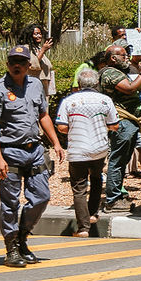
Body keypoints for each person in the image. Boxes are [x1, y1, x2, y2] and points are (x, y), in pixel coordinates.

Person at [0, 45, 66, 267]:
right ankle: (11, 248)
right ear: (8, 64)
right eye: (13, 61)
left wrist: (56, 142)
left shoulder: (35, 85)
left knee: (42, 197)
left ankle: (23, 237)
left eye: (22, 62)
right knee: (10, 203)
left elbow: (43, 115)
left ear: (28, 65)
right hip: (10, 151)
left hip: (34, 150)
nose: (17, 65)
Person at [56, 69, 120, 236]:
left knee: (79, 188)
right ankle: (92, 213)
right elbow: (115, 125)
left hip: (78, 149)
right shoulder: (106, 100)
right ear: (97, 83)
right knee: (97, 178)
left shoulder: (69, 101)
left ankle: (83, 228)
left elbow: (62, 127)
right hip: (99, 149)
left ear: (79, 84)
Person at [100, 44, 141, 211]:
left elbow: (138, 88)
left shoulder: (120, 72)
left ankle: (117, 194)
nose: (127, 57)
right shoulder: (110, 72)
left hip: (129, 121)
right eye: (123, 55)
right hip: (122, 120)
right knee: (117, 159)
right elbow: (130, 89)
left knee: (123, 159)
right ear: (113, 58)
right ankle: (113, 199)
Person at [20, 24, 55, 98]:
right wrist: (43, 50)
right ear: (30, 35)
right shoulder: (26, 48)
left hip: (43, 87)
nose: (39, 36)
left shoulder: (37, 48)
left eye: (40, 33)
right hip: (33, 87)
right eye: (36, 34)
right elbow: (32, 65)